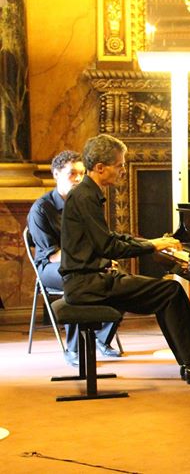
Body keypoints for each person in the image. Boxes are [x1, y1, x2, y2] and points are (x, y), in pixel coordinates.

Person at [59, 134, 190, 384]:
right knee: (170, 291)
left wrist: (150, 243)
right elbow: (108, 246)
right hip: (88, 284)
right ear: (100, 168)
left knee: (166, 292)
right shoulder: (86, 197)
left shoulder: (86, 193)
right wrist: (152, 244)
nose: (122, 171)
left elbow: (109, 237)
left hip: (89, 280)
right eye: (119, 165)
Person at [27, 150, 121, 367]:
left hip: (83, 264)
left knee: (119, 277)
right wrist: (94, 263)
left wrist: (104, 261)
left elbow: (98, 241)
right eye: (72, 174)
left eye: (81, 173)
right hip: (50, 267)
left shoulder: (84, 203)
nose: (78, 179)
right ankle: (74, 349)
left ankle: (101, 338)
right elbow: (52, 255)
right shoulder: (41, 209)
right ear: (56, 175)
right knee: (78, 280)